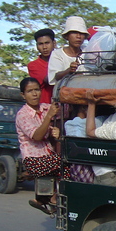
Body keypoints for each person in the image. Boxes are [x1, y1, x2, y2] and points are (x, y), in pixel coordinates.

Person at [15, 77, 70, 215]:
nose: (34, 94)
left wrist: (56, 132)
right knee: (65, 163)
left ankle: (43, 198)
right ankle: (52, 198)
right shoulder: (22, 115)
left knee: (67, 167)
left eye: (37, 90)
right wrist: (49, 117)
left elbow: (65, 111)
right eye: (30, 91)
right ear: (23, 95)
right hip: (33, 160)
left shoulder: (45, 107)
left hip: (47, 157)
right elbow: (37, 136)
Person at [48, 16, 89, 85]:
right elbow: (56, 76)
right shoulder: (57, 54)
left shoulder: (89, 51)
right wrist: (69, 70)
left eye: (81, 33)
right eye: (74, 32)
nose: (78, 36)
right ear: (67, 36)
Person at [27, 28, 56, 104]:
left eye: (47, 43)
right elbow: (49, 79)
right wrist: (67, 71)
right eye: (41, 44)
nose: (44, 47)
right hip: (45, 107)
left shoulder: (62, 60)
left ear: (54, 43)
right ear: (37, 46)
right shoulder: (33, 66)